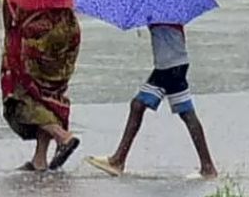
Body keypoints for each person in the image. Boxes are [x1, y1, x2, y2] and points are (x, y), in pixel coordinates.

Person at [87, 23, 217, 179]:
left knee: (142, 106)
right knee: (171, 110)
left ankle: (118, 160)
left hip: (169, 67)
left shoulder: (164, 12)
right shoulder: (167, 10)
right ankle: (207, 166)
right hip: (173, 64)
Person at [0, 0, 82, 172]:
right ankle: (40, 159)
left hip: (36, 40)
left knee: (21, 96)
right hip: (66, 35)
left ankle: (62, 136)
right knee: (48, 97)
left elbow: (10, 21)